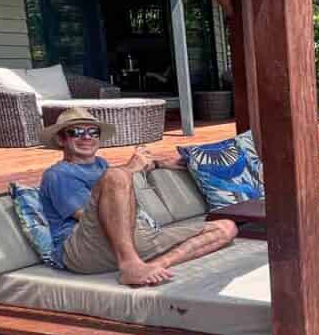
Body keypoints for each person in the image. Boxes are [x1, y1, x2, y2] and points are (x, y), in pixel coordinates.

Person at [38, 108, 237, 287]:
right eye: (76, 132)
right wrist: (130, 168)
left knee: (227, 227)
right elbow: (89, 215)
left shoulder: (100, 165)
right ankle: (130, 264)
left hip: (130, 239)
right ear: (61, 140)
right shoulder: (58, 174)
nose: (86, 137)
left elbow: (121, 180)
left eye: (93, 132)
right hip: (82, 250)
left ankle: (153, 266)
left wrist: (160, 164)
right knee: (116, 175)